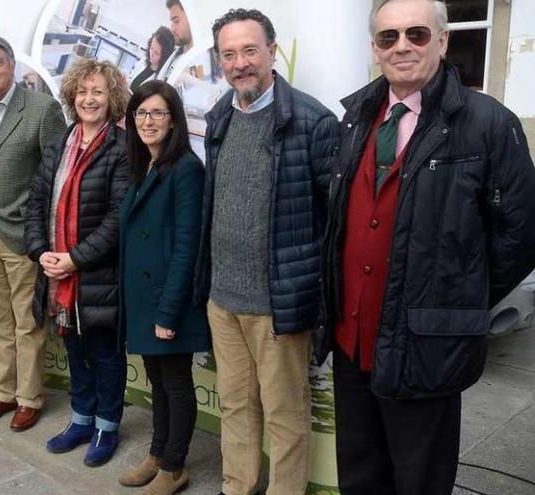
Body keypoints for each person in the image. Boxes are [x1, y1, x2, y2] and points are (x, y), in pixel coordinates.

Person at [317, 1, 535, 494]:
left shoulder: (488, 124)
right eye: (388, 37)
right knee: (360, 473)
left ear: (442, 41)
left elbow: (520, 237)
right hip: (351, 342)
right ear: (374, 49)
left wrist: (455, 299)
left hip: (425, 347)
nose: (402, 47)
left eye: (416, 34)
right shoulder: (354, 120)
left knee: (419, 481)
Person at [196, 9, 340, 495]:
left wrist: (314, 293)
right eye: (229, 54)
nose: (240, 63)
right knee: (235, 404)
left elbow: (333, 221)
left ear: (272, 52)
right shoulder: (219, 117)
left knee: (285, 413)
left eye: (250, 50)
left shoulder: (314, 122)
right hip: (224, 300)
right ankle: (237, 486)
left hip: (279, 305)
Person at [0, 36, 68, 432]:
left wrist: (44, 232)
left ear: (12, 66)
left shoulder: (41, 110)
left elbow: (56, 174)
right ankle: (4, 392)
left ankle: (29, 398)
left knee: (27, 321)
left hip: (23, 233)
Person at [25, 59, 130, 466]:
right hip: (57, 277)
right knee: (74, 351)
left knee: (104, 353)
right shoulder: (59, 143)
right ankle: (81, 419)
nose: (89, 99)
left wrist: (74, 259)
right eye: (83, 91)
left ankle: (107, 426)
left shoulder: (122, 148)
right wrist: (41, 252)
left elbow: (117, 218)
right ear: (71, 96)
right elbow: (36, 202)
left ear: (112, 98)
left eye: (98, 92)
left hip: (98, 277)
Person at [118, 80, 209, 495]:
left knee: (175, 382)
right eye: (141, 113)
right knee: (156, 380)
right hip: (145, 298)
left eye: (157, 113)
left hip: (170, 300)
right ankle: (157, 454)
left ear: (174, 121)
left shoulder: (186, 169)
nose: (148, 121)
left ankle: (175, 467)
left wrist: (169, 312)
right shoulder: (145, 166)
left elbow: (188, 245)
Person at [158, 0, 194, 82]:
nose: (172, 29)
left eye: (176, 21)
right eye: (172, 22)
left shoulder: (202, 61)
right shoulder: (177, 55)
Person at [130, 27, 175, 92]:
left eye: (156, 53)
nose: (151, 54)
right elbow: (131, 80)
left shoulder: (160, 79)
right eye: (151, 48)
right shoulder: (143, 61)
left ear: (164, 56)